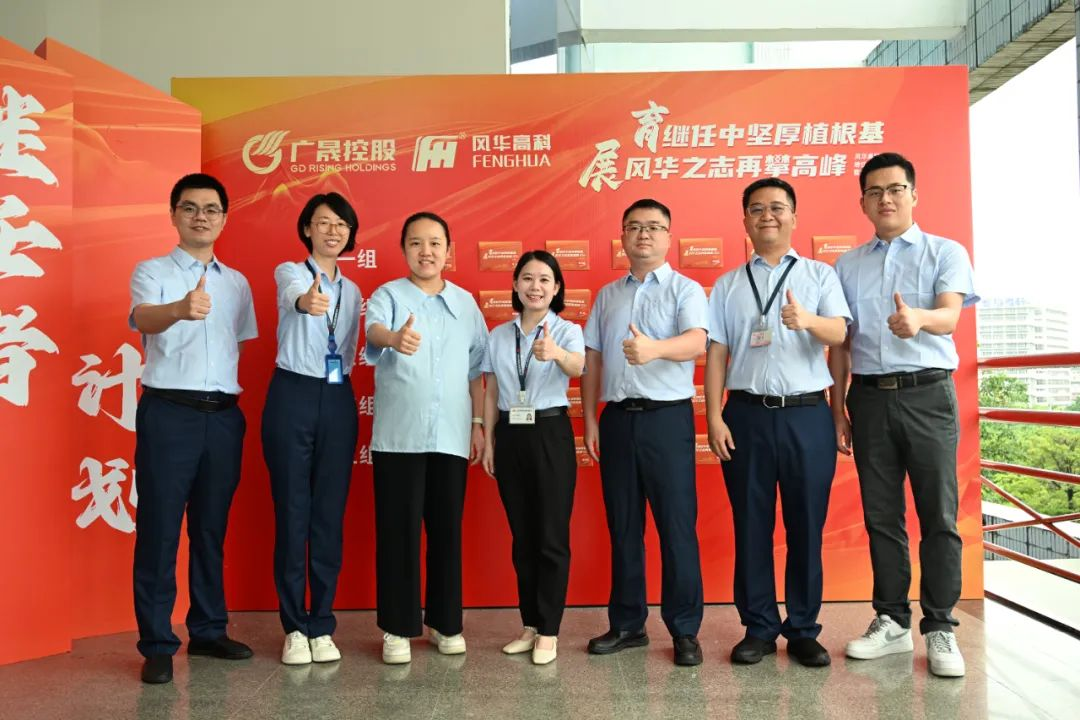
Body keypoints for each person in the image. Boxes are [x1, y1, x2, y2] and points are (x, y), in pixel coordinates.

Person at [828, 152, 978, 678]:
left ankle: (939, 626)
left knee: (938, 514)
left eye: (895, 189)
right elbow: (840, 344)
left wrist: (919, 319)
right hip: (868, 399)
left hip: (927, 395)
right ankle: (891, 620)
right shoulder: (847, 265)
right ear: (863, 202)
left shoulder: (945, 251)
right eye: (875, 191)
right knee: (881, 515)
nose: (885, 199)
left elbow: (950, 314)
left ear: (914, 194)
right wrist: (838, 408)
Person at [704, 178, 851, 667]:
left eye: (777, 207)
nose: (767, 215)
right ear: (745, 220)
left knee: (806, 525)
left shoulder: (820, 275)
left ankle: (804, 629)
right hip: (745, 415)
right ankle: (760, 627)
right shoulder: (728, 284)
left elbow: (839, 333)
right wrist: (714, 416)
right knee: (751, 525)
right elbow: (717, 352)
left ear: (794, 217)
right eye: (757, 209)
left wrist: (808, 320)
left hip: (807, 414)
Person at [129, 173, 257, 684]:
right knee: (160, 529)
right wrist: (180, 309)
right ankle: (158, 643)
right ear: (174, 215)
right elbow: (142, 318)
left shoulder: (237, 283)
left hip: (222, 416)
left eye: (211, 209)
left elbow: (236, 344)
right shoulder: (153, 270)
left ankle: (207, 630)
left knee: (210, 529)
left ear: (224, 218)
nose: (200, 217)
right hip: (169, 413)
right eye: (189, 208)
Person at [582, 198, 708, 667]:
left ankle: (684, 629)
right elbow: (593, 358)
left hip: (666, 420)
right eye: (635, 227)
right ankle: (628, 624)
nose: (644, 235)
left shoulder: (685, 289)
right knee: (624, 526)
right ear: (622, 237)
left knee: (676, 527)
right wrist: (591, 419)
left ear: (668, 237)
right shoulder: (607, 295)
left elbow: (697, 341)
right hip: (617, 419)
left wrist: (654, 349)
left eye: (654, 227)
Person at [364, 211, 488, 664]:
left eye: (435, 243)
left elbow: (477, 371)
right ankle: (397, 628)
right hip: (400, 436)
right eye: (416, 242)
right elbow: (374, 331)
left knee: (446, 530)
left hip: (451, 433)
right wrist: (394, 339)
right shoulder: (388, 295)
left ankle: (445, 622)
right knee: (398, 532)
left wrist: (478, 424)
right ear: (404, 250)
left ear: (448, 251)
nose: (426, 251)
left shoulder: (466, 304)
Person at [262, 192, 363, 666]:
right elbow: (295, 299)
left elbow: (350, 345)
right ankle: (293, 627)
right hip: (293, 394)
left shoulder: (354, 291)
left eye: (341, 224)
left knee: (328, 513)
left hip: (337, 395)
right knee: (292, 510)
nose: (333, 231)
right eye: (323, 223)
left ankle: (321, 623)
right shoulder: (290, 272)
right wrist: (307, 301)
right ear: (307, 229)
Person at [480, 250, 585, 665]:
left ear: (556, 288)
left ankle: (550, 631)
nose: (535, 286)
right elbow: (491, 389)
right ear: (515, 285)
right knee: (522, 537)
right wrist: (490, 441)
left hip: (549, 433)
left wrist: (556, 353)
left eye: (544, 279)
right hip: (510, 434)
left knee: (550, 536)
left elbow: (578, 368)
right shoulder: (498, 335)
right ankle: (530, 623)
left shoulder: (567, 330)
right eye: (527, 278)